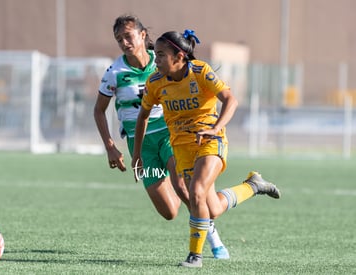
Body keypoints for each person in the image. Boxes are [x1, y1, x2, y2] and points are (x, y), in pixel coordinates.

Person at [132, 29, 280, 268]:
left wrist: (215, 128)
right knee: (212, 209)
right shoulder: (155, 82)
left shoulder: (200, 71)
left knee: (197, 191)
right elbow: (143, 117)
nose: (155, 60)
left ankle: (195, 256)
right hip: (182, 149)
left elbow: (231, 100)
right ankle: (253, 185)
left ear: (178, 56)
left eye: (160, 55)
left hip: (211, 141)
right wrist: (137, 153)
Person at [93, 16, 229, 259]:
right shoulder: (115, 72)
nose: (124, 42)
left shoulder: (164, 59)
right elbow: (98, 110)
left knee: (185, 188)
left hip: (170, 134)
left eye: (128, 36)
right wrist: (111, 147)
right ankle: (192, 203)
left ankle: (213, 241)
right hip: (141, 143)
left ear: (143, 35)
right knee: (169, 212)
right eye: (119, 39)